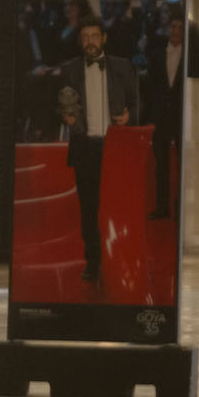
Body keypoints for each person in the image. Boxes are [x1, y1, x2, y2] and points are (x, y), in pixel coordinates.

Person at [59, 15, 139, 282]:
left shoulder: (122, 67)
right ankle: (93, 262)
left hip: (115, 147)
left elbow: (139, 104)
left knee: (119, 207)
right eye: (84, 37)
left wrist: (129, 117)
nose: (89, 42)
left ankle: (123, 258)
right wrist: (66, 117)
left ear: (103, 38)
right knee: (88, 208)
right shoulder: (69, 69)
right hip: (85, 148)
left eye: (94, 36)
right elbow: (58, 105)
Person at [145, 15, 189, 219]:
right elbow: (150, 89)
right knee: (161, 165)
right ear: (168, 28)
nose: (176, 31)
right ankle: (162, 208)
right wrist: (151, 117)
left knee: (184, 164)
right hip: (161, 118)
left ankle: (181, 208)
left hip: (183, 119)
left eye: (180, 27)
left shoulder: (190, 57)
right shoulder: (156, 56)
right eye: (173, 26)